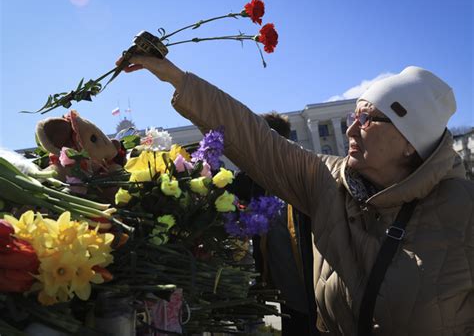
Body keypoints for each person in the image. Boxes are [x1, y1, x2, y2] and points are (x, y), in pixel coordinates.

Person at [119, 56, 474, 335]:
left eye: (367, 119)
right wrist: (178, 79)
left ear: (409, 142)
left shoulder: (464, 208)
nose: (351, 128)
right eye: (353, 115)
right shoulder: (328, 181)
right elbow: (257, 142)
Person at [229, 111, 319, 336]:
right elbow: (227, 189)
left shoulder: (304, 172)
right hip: (285, 289)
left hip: (312, 283)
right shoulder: (253, 177)